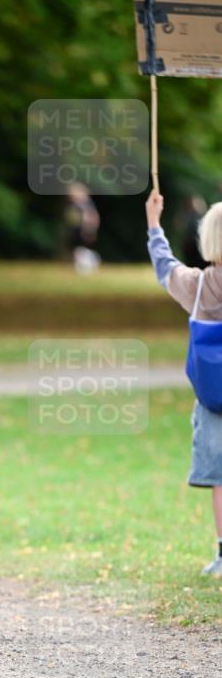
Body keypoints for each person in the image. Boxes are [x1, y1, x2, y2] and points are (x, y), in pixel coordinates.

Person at [146, 189, 222, 577]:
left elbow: (164, 267)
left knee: (220, 479)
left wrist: (154, 224)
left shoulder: (199, 284)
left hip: (213, 396)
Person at [64, 182, 100, 273]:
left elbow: (93, 218)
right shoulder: (73, 206)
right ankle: (81, 265)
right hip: (76, 230)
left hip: (85, 230)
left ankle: (88, 263)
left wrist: (91, 228)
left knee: (83, 248)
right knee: (78, 249)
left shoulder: (86, 205)